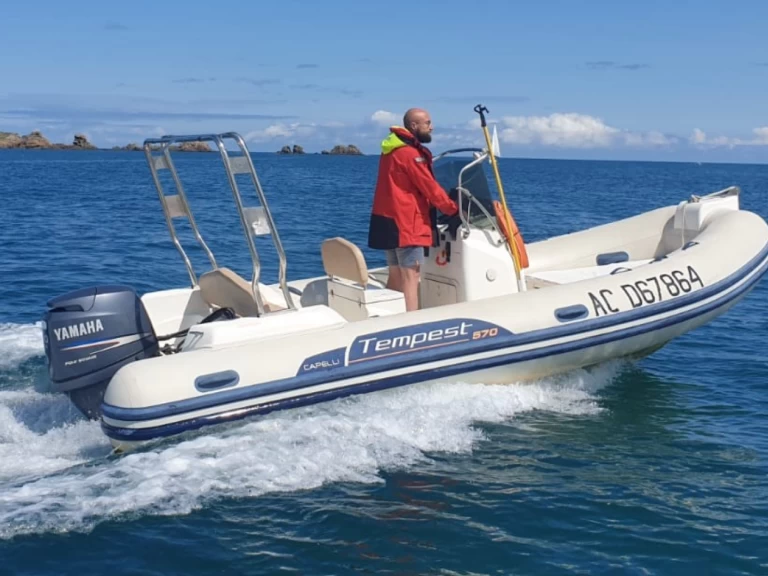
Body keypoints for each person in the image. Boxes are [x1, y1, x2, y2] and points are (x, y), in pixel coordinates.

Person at [367, 108, 460, 311]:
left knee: (395, 274)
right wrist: (453, 209)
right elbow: (430, 187)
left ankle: (389, 314)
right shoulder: (410, 154)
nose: (431, 127)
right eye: (427, 123)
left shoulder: (391, 149)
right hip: (407, 224)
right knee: (411, 276)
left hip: (388, 221)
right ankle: (411, 320)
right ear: (414, 125)